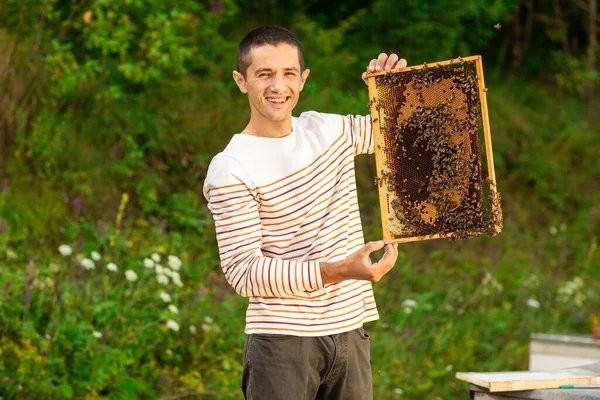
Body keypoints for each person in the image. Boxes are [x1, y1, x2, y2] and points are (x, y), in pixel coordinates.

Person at [203, 25, 406, 400]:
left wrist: (392, 90)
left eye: (288, 73)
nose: (278, 86)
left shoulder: (328, 130)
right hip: (281, 344)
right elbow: (244, 272)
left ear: (303, 78)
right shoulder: (231, 166)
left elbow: (400, 133)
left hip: (350, 330)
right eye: (264, 74)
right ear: (240, 80)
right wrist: (338, 271)